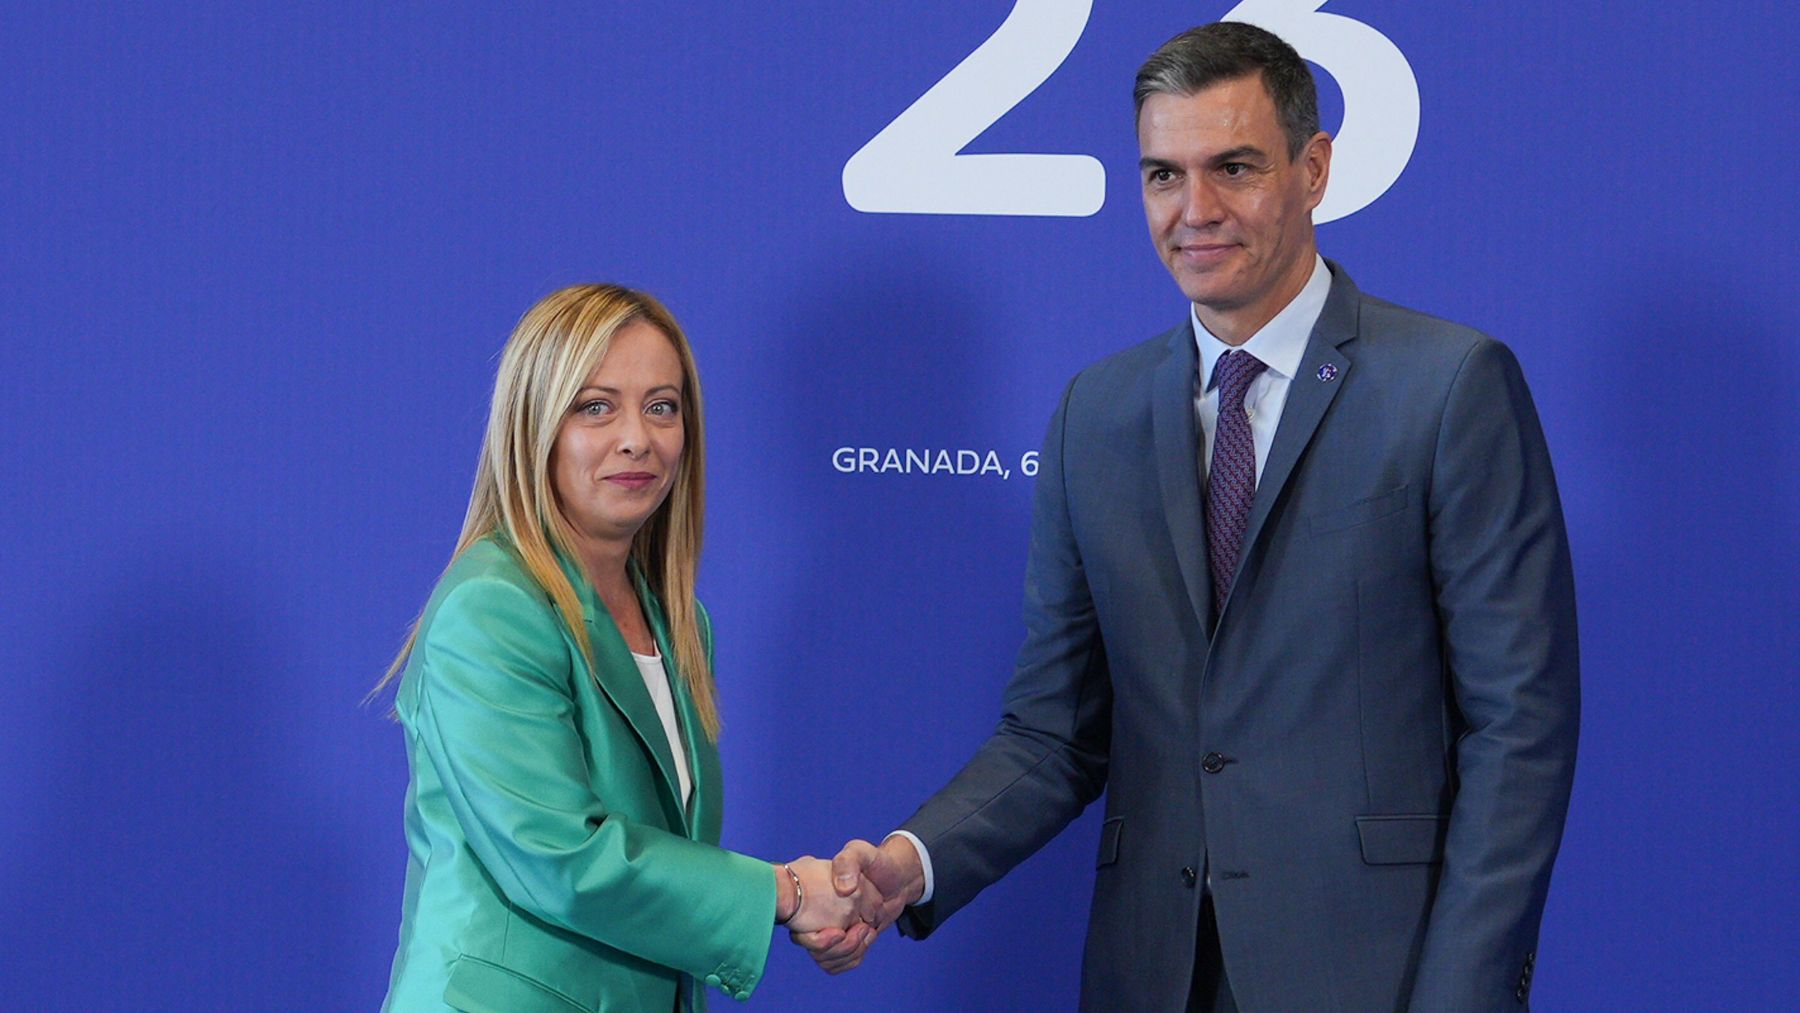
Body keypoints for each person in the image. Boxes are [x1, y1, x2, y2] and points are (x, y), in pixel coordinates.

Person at [797, 22, 1580, 1012]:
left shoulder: (1449, 387)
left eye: (1234, 168)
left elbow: (1519, 735)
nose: (1195, 210)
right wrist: (914, 860)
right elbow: (1053, 730)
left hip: (1375, 979)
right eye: (1163, 175)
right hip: (1150, 976)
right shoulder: (1098, 412)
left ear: (1315, 168)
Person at [376, 284, 872, 1011]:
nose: (637, 437)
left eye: (662, 406)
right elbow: (563, 859)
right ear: (534, 425)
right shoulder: (493, 607)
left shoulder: (679, 621)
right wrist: (788, 892)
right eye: (595, 406)